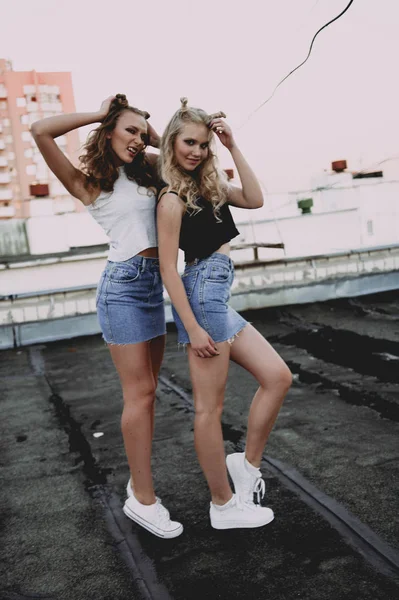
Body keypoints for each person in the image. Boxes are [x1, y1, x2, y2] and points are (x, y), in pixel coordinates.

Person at [32, 94, 183, 539]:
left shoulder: (151, 172)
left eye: (142, 133)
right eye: (129, 131)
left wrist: (147, 133)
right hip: (123, 288)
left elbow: (177, 152)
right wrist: (104, 114)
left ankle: (140, 487)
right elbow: (40, 131)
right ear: (109, 132)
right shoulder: (89, 183)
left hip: (155, 285)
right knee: (138, 394)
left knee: (149, 392)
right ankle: (144, 500)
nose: (137, 139)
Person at [157, 98, 292, 529]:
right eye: (189, 143)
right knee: (208, 410)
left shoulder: (208, 186)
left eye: (203, 144)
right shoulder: (172, 198)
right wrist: (192, 328)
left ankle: (246, 468)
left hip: (217, 297)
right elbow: (167, 270)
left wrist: (232, 146)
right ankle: (222, 506)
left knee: (278, 377)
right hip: (201, 299)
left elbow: (254, 198)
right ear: (173, 143)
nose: (196, 151)